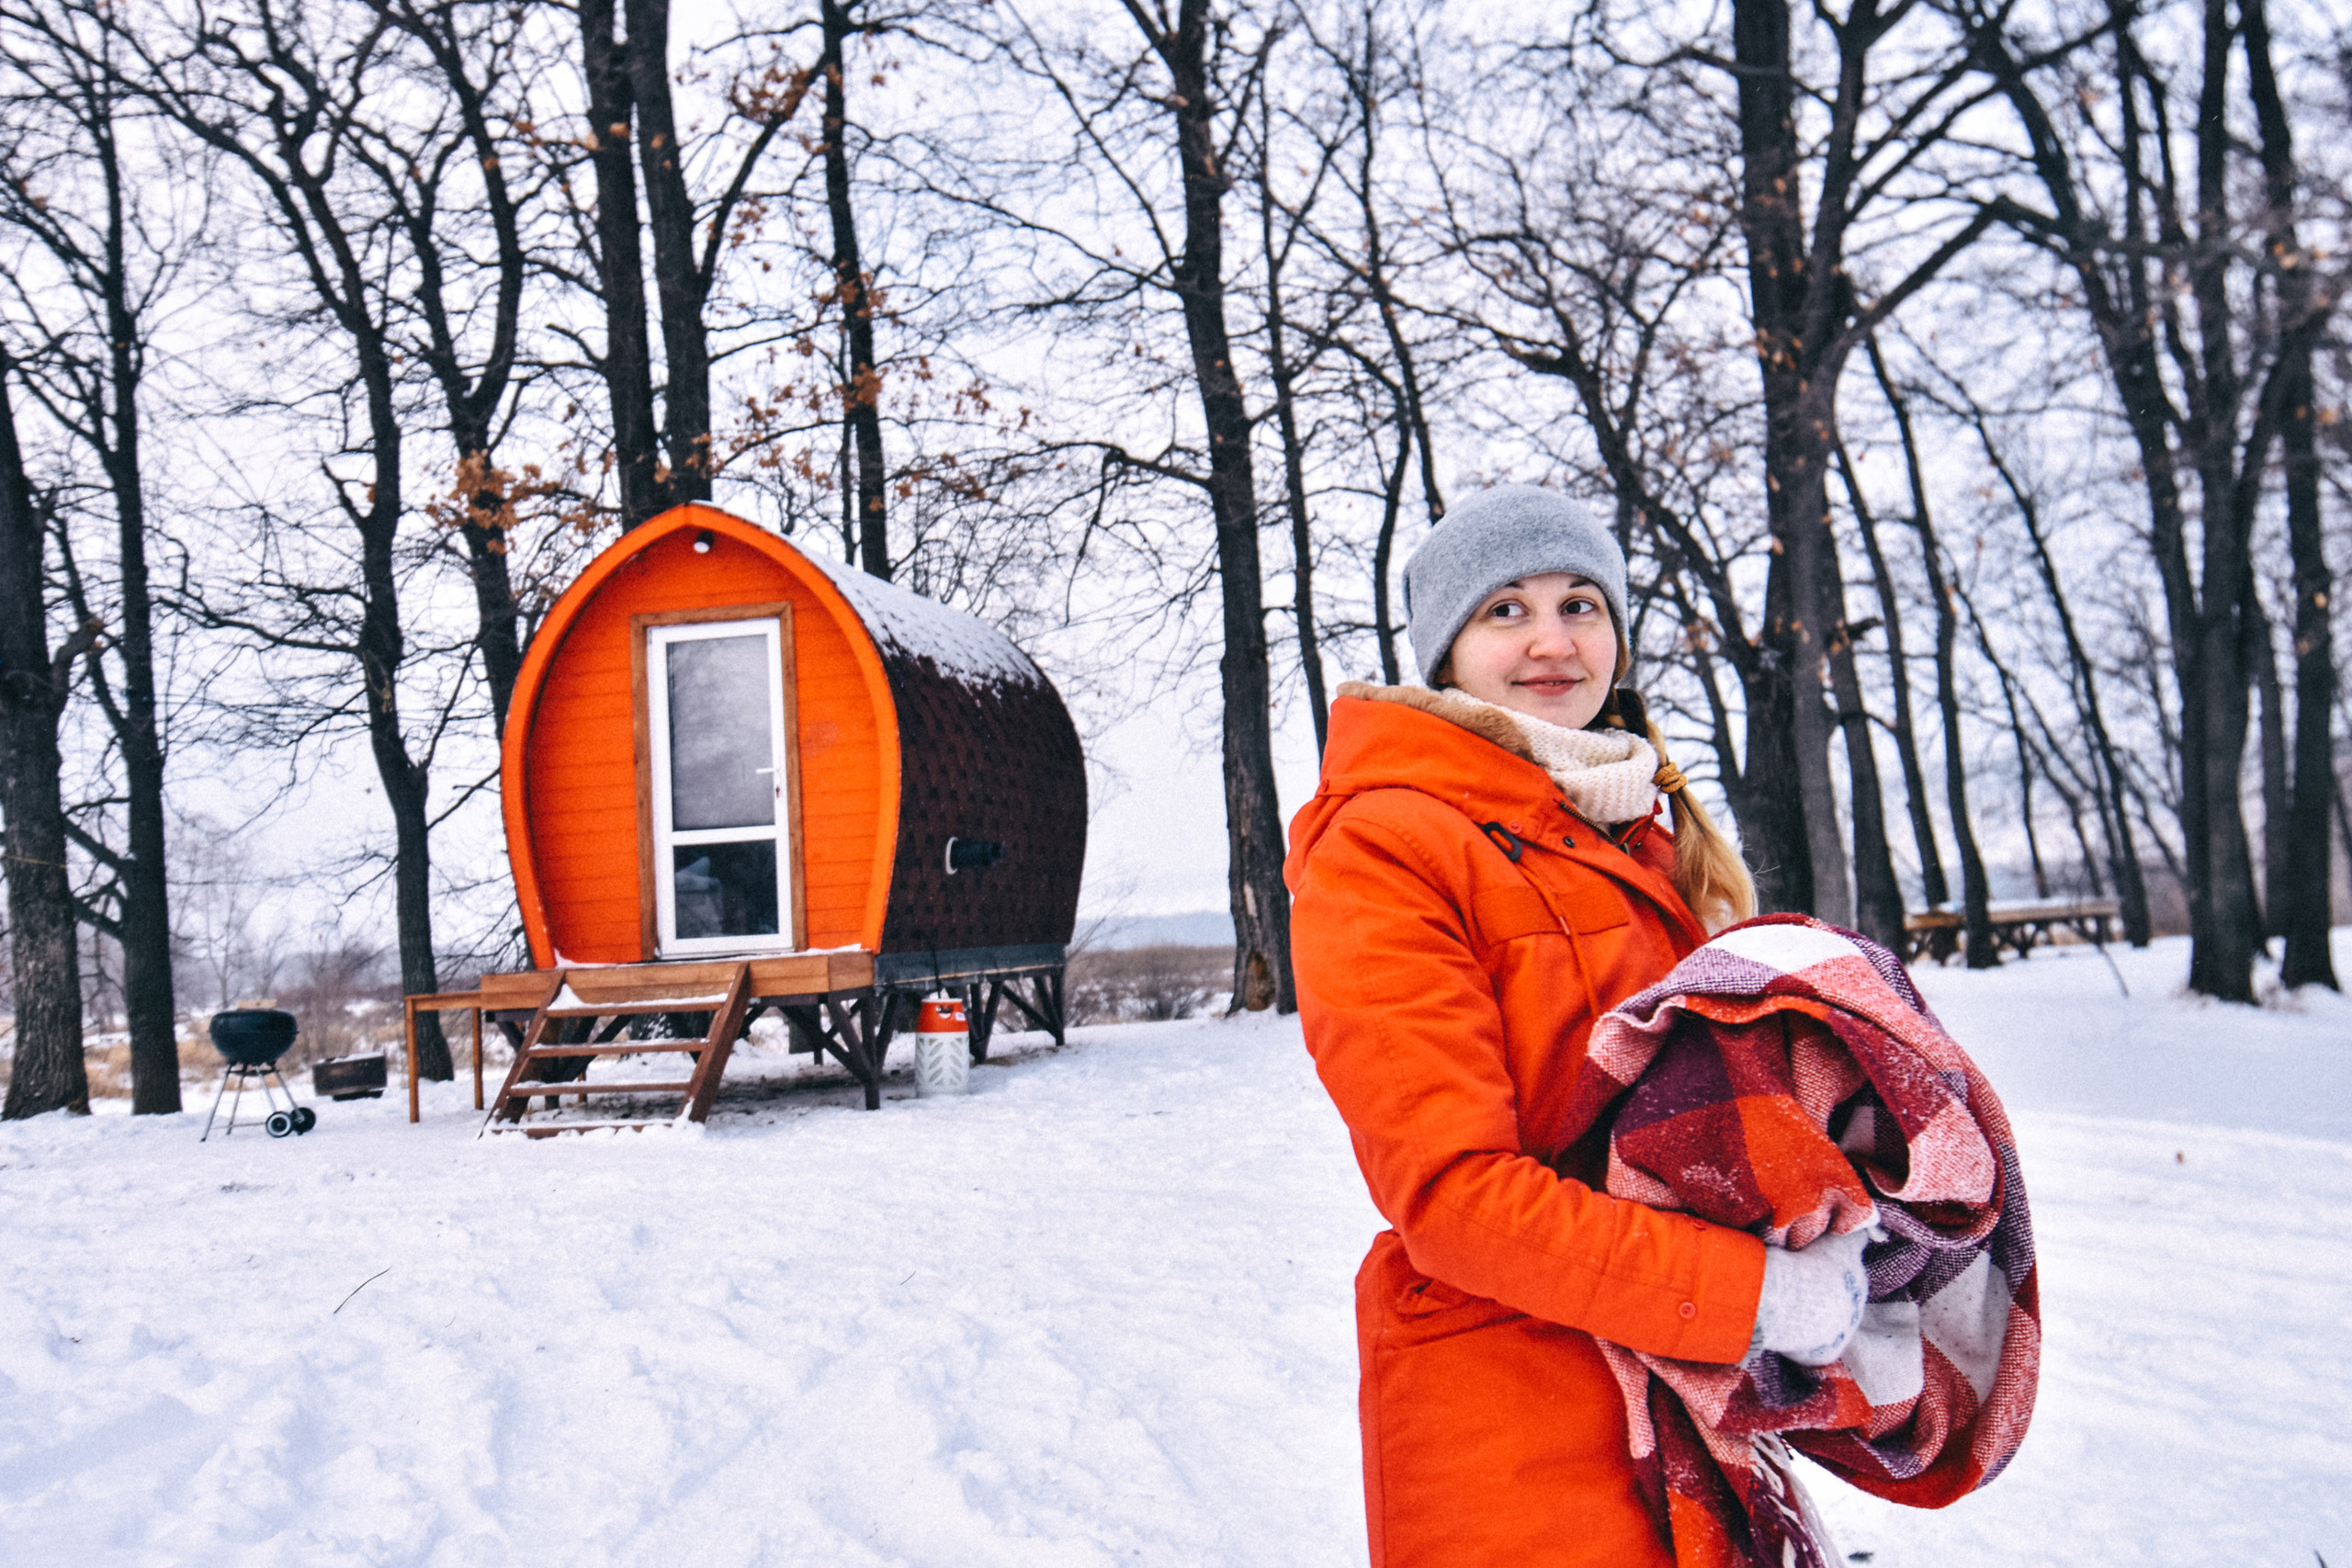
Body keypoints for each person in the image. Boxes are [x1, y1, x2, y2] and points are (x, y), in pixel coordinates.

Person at [1283, 485, 1872, 1568]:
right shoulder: (1385, 847)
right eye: (1505, 609)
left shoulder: (1631, 833)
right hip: (1517, 1416)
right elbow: (1454, 1199)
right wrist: (1756, 1299)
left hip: (1681, 1388)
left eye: (1580, 604)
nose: (1551, 640)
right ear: (1447, 650)